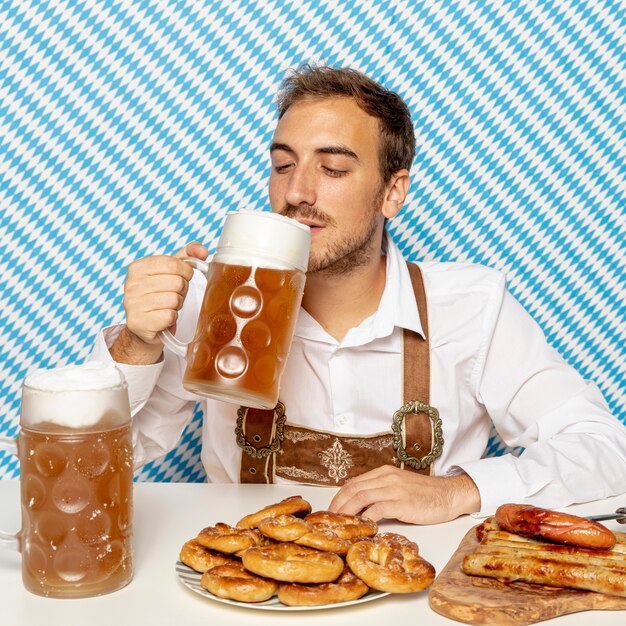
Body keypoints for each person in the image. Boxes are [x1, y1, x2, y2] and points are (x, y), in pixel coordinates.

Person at [90, 65, 626, 525]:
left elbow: (606, 450)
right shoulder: (217, 303)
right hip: (244, 593)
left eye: (334, 168)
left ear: (393, 191)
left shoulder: (471, 308)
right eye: (283, 165)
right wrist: (137, 345)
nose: (297, 192)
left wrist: (458, 490)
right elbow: (93, 470)